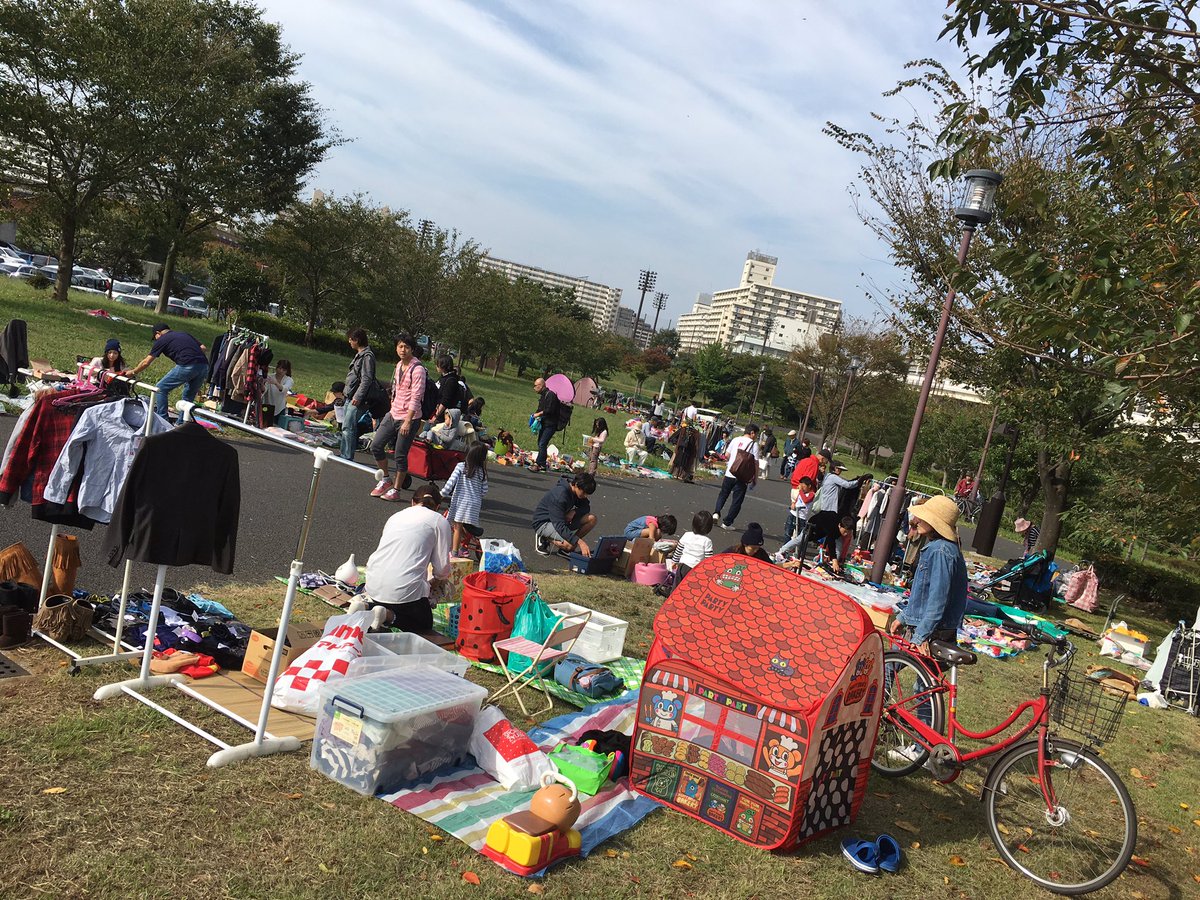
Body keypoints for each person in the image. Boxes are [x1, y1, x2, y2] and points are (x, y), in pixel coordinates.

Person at [361, 484, 452, 633]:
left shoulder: (395, 516)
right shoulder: (439, 521)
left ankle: (368, 607)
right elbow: (442, 570)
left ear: (412, 502)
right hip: (404, 593)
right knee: (423, 623)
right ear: (437, 506)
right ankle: (387, 615)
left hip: (373, 583)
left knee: (401, 594)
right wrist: (435, 582)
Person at [889, 495, 968, 654]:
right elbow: (924, 594)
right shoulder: (941, 548)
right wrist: (904, 617)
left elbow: (938, 597)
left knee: (890, 667)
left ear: (934, 523)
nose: (916, 521)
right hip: (933, 625)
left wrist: (921, 634)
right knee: (921, 674)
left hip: (931, 628)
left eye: (923, 517)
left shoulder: (940, 551)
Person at [370, 333, 426, 501]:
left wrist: (408, 421)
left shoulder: (418, 370)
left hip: (409, 417)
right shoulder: (398, 365)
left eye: (407, 347)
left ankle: (396, 489)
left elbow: (417, 397)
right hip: (393, 413)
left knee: (400, 454)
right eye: (400, 346)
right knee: (376, 445)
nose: (403, 350)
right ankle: (386, 479)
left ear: (412, 349)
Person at [125, 324, 208, 420]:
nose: (156, 340)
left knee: (160, 389)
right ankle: (181, 423)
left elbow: (146, 362)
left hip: (187, 364)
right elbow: (203, 347)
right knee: (188, 396)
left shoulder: (162, 339)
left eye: (155, 338)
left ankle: (162, 420)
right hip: (204, 365)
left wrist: (133, 372)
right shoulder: (184, 334)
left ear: (158, 333)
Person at [532, 472, 597, 557]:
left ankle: (566, 547)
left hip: (560, 519)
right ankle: (543, 536)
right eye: (584, 492)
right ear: (576, 485)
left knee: (592, 519)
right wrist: (580, 542)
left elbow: (586, 507)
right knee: (570, 545)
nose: (585, 496)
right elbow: (559, 526)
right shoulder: (560, 495)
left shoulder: (577, 492)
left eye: (587, 494)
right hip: (544, 522)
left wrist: (574, 511)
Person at [441, 443, 489, 555]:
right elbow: (484, 490)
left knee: (457, 526)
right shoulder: (482, 472)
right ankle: (464, 548)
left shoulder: (461, 466)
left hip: (462, 501)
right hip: (475, 503)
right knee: (468, 526)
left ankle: (454, 552)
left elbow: (450, 483)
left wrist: (442, 494)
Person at [713, 423, 760, 530]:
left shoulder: (735, 440)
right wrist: (755, 478)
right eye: (756, 434)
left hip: (730, 472)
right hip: (742, 476)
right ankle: (727, 523)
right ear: (752, 433)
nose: (756, 436)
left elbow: (727, 455)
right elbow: (756, 463)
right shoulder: (754, 445)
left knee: (723, 494)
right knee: (737, 501)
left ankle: (716, 513)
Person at [341, 328, 377, 460]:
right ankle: (344, 452)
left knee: (348, 427)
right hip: (349, 396)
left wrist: (358, 396)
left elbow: (367, 379)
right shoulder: (360, 354)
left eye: (350, 339)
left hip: (357, 399)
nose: (349, 342)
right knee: (346, 426)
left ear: (356, 340)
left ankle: (347, 456)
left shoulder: (367, 356)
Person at [661, 510, 715, 596]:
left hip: (682, 565)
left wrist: (674, 561)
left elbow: (679, 550)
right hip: (695, 568)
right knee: (690, 586)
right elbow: (708, 559)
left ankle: (673, 597)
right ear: (709, 528)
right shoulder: (707, 541)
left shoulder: (687, 535)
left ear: (693, 524)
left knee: (677, 583)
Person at [776, 476, 817, 562]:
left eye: (804, 486)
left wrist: (801, 490)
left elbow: (805, 500)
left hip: (802, 517)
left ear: (809, 486)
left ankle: (799, 553)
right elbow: (798, 499)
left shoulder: (811, 494)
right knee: (788, 532)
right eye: (801, 486)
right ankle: (784, 551)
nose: (802, 488)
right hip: (794, 514)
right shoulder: (801, 493)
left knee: (800, 537)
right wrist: (793, 503)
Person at [530, 376, 561, 473]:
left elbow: (550, 410)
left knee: (542, 443)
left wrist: (539, 414)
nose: (534, 388)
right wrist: (534, 417)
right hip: (543, 422)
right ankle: (542, 465)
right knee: (540, 443)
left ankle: (539, 464)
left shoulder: (550, 395)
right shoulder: (543, 396)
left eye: (535, 386)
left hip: (551, 424)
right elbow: (540, 409)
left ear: (541, 386)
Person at [431, 354, 469, 421]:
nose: (436, 366)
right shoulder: (443, 377)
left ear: (443, 365)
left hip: (444, 417)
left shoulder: (451, 380)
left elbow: (446, 400)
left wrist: (436, 415)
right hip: (436, 411)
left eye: (438, 364)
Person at [262, 358, 293, 427]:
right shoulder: (270, 377)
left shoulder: (289, 380)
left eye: (283, 370)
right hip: (267, 405)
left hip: (280, 407)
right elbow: (264, 391)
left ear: (287, 371)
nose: (280, 371)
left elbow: (285, 389)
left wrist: (275, 383)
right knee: (266, 426)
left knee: (278, 427)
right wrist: (262, 384)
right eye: (279, 368)